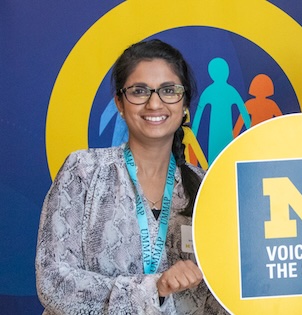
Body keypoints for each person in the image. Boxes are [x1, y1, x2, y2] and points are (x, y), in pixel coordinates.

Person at [35, 39, 227, 314]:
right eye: (139, 91)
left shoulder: (207, 190)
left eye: (168, 90)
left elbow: (223, 291)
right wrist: (152, 290)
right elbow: (53, 281)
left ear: (184, 102)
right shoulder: (84, 171)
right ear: (120, 103)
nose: (154, 103)